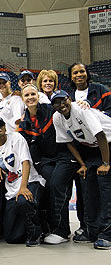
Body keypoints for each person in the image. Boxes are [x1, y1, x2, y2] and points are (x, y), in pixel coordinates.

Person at [18, 84, 79, 244]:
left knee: (57, 185)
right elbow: (19, 143)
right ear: (22, 99)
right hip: (46, 160)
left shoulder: (50, 109)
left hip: (65, 154)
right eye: (27, 95)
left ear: (38, 96)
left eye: (33, 94)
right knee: (48, 187)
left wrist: (81, 104)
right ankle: (51, 227)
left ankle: (62, 230)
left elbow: (69, 110)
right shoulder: (24, 122)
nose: (30, 97)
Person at [51, 89, 111, 250]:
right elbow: (68, 142)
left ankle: (108, 233)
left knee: (105, 187)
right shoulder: (57, 117)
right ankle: (92, 230)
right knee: (88, 189)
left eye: (63, 100)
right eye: (56, 102)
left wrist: (106, 162)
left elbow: (101, 135)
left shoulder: (81, 110)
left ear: (69, 99)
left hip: (107, 144)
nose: (60, 105)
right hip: (93, 149)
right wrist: (82, 164)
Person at [0, 117, 46, 247]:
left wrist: (23, 187)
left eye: (1, 125)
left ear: (5, 127)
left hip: (31, 182)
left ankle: (37, 231)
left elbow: (26, 162)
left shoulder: (16, 138)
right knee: (12, 237)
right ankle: (34, 220)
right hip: (12, 190)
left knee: (24, 200)